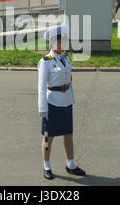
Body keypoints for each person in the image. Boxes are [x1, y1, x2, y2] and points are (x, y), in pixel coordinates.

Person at [37, 24, 86, 180]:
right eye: (59, 41)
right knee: (48, 136)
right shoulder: (45, 61)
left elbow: (69, 80)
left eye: (64, 40)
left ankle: (70, 164)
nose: (63, 43)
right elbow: (41, 87)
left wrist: (71, 98)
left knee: (68, 134)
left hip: (65, 101)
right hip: (52, 103)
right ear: (52, 43)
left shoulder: (65, 58)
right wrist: (42, 108)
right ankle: (46, 166)